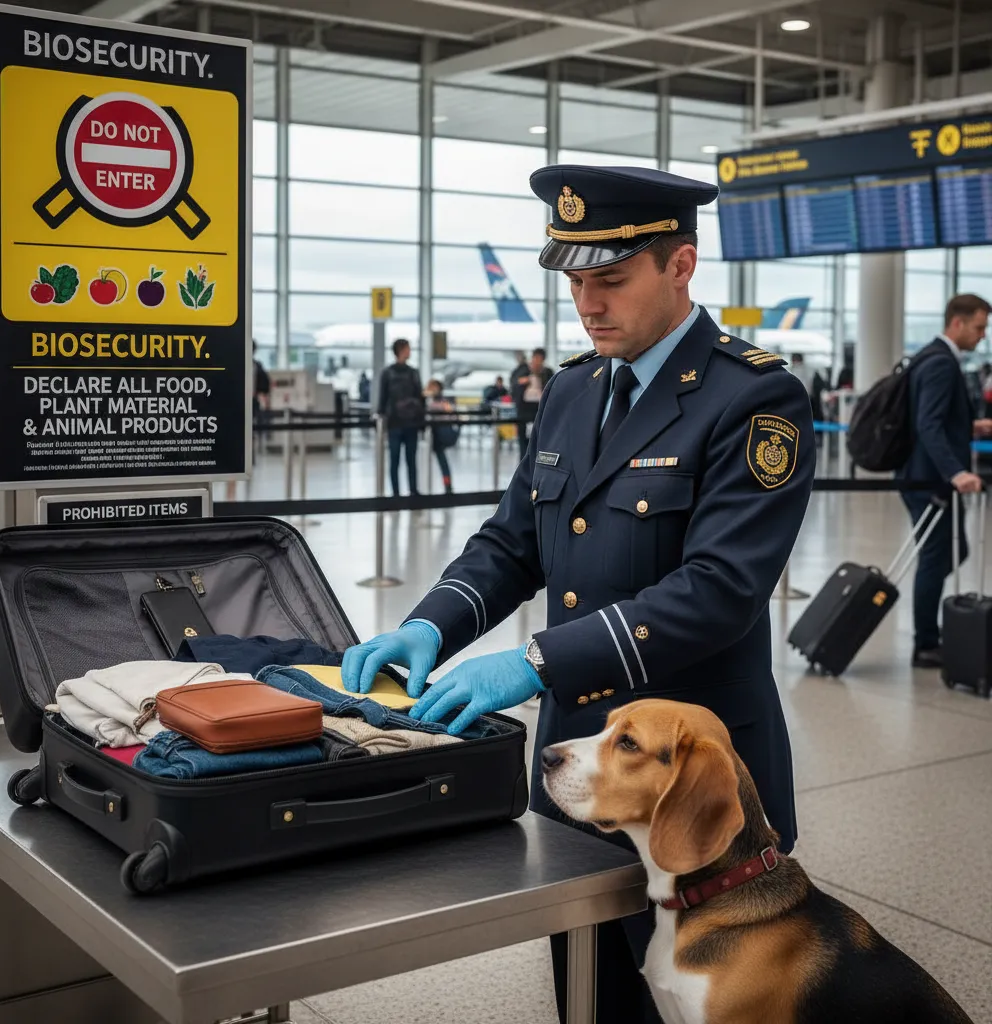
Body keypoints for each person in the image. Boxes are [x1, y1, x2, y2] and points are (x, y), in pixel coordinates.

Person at [342, 165, 815, 1023]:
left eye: (612, 280)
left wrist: (536, 662)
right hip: (580, 771)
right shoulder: (572, 388)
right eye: (574, 283)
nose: (588, 305)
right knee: (592, 998)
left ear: (681, 265)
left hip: (692, 790)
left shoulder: (753, 397)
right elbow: (512, 541)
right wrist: (432, 624)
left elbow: (719, 591)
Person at [897, 293, 992, 669]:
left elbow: (932, 418)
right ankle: (925, 643)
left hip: (924, 476)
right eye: (979, 327)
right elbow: (928, 424)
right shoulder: (940, 363)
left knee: (951, 553)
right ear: (957, 322)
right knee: (936, 558)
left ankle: (927, 630)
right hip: (930, 481)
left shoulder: (931, 356)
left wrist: (971, 425)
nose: (982, 335)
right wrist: (957, 472)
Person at [377, 338, 425, 497]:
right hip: (396, 422)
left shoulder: (412, 372)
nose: (409, 351)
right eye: (407, 349)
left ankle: (412, 490)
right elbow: (383, 398)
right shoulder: (389, 373)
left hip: (408, 422)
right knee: (395, 459)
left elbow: (419, 397)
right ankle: (396, 492)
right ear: (401, 350)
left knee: (410, 459)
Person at [512, 347, 553, 459]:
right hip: (523, 412)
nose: (537, 361)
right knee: (523, 443)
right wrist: (522, 382)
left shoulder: (547, 373)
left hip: (539, 412)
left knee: (539, 442)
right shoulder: (522, 371)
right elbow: (514, 386)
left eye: (540, 359)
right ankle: (523, 462)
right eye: (535, 358)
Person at [424, 379, 457, 494]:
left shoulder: (439, 402)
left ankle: (447, 484)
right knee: (442, 461)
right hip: (435, 433)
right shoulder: (437, 401)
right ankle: (447, 484)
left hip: (439, 434)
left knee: (442, 461)